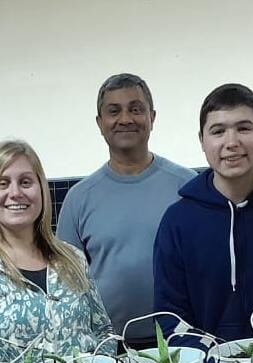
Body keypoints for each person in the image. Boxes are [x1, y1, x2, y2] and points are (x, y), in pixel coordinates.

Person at [152, 83, 253, 344]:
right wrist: (213, 360)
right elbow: (170, 317)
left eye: (243, 128)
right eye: (218, 131)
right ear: (202, 140)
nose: (232, 142)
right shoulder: (178, 221)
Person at [0, 140, 112, 362]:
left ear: (41, 191)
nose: (15, 193)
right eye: (2, 183)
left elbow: (104, 332)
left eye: (26, 182)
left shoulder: (73, 258)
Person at [58, 73, 195, 347]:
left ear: (152, 117)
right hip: (106, 347)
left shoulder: (187, 187)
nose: (125, 119)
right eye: (114, 111)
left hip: (182, 342)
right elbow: (66, 285)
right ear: (100, 123)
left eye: (135, 109)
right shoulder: (78, 199)